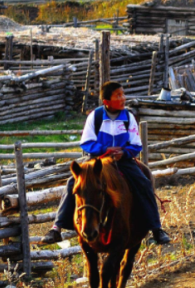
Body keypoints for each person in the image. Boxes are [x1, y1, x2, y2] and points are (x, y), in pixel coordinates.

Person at [41, 81, 170, 245]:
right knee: (72, 183)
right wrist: (104, 150)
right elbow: (87, 142)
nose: (123, 98)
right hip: (97, 162)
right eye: (118, 95)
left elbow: (136, 144)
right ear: (106, 102)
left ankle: (156, 228)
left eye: (123, 94)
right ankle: (57, 227)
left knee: (144, 182)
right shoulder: (95, 117)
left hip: (123, 161)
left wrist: (124, 152)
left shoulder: (128, 117)